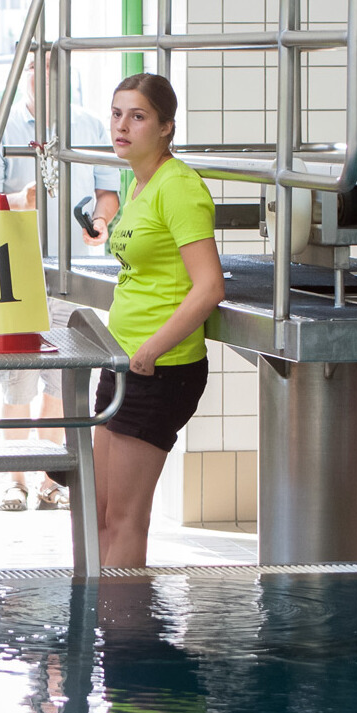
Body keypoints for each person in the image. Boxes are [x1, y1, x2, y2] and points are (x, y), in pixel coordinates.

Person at [94, 73, 225, 568]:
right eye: (116, 113)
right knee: (99, 510)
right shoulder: (138, 183)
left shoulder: (179, 187)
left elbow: (209, 286)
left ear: (167, 127)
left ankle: (128, 642)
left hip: (159, 369)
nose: (122, 125)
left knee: (125, 518)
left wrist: (149, 350)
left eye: (138, 116)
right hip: (123, 361)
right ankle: (103, 631)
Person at [0, 55, 121, 511]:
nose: (47, 86)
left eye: (56, 78)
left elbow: (107, 191)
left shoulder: (89, 126)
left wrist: (99, 221)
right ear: (25, 80)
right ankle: (13, 480)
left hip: (73, 271)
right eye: (38, 77)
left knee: (63, 384)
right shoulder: (6, 128)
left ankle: (49, 479)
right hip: (16, 272)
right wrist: (18, 199)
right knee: (16, 382)